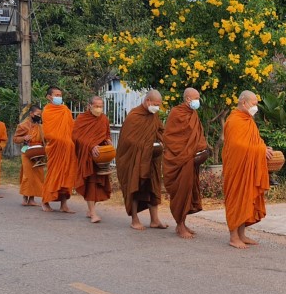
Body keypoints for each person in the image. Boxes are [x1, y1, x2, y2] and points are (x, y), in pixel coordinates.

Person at [222, 90, 272, 249]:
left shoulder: (249, 121)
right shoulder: (234, 120)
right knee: (237, 199)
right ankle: (233, 237)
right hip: (236, 168)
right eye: (254, 104)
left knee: (247, 199)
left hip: (248, 167)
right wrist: (259, 150)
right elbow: (237, 146)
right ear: (244, 103)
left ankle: (242, 234)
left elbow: (255, 140)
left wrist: (263, 148)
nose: (256, 107)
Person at [116, 89, 168, 231]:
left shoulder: (154, 115)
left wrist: (161, 142)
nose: (157, 107)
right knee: (135, 185)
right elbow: (128, 140)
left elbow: (160, 131)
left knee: (153, 187)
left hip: (151, 158)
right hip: (134, 159)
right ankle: (135, 219)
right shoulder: (134, 116)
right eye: (155, 104)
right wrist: (147, 146)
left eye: (159, 105)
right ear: (147, 101)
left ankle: (155, 220)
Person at [163, 88, 209, 239]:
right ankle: (180, 225)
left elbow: (197, 135)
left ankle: (182, 223)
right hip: (179, 159)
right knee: (181, 191)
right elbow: (171, 137)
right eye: (196, 98)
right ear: (188, 99)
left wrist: (201, 149)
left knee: (188, 190)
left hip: (190, 159)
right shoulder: (176, 113)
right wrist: (186, 152)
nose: (198, 101)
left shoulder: (193, 114)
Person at [72, 96, 113, 223]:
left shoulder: (104, 119)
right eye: (96, 106)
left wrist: (108, 140)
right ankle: (93, 213)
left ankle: (91, 210)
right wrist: (91, 146)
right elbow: (76, 137)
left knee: (97, 183)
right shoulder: (82, 119)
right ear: (89, 106)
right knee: (91, 183)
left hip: (101, 156)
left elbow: (106, 134)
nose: (98, 109)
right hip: (88, 156)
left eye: (101, 106)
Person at [41, 87, 77, 213]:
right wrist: (60, 139)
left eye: (60, 95)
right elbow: (48, 132)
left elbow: (72, 127)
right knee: (53, 174)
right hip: (55, 148)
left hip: (68, 148)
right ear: (49, 97)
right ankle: (45, 201)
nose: (59, 97)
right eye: (56, 95)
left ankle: (64, 204)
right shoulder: (47, 111)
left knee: (67, 175)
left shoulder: (65, 110)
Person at [13, 105, 45, 207]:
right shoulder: (23, 125)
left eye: (40, 114)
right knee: (27, 175)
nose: (39, 116)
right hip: (27, 152)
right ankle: (25, 197)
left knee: (37, 175)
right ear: (31, 114)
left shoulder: (41, 127)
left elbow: (45, 140)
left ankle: (32, 199)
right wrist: (24, 138)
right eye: (37, 114)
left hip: (39, 153)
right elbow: (15, 139)